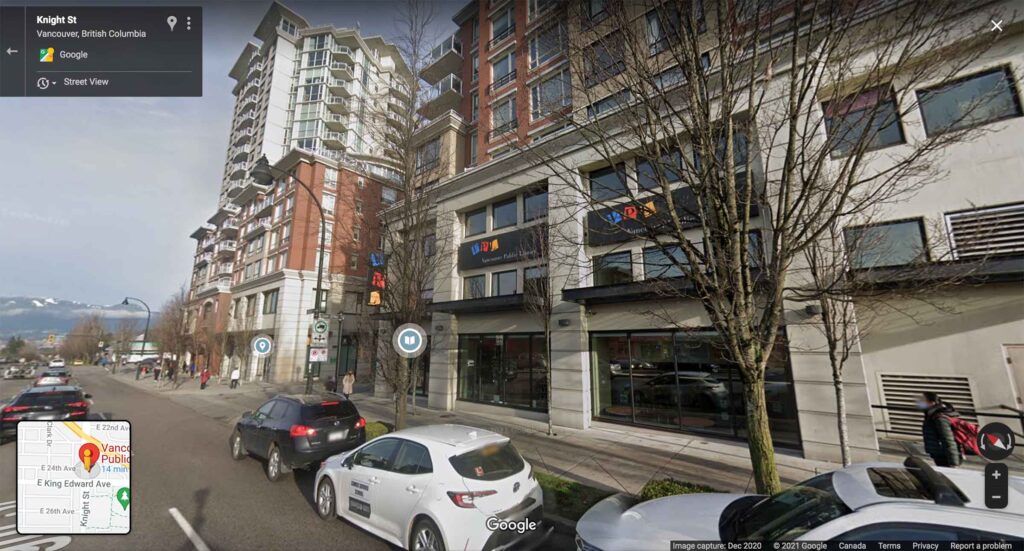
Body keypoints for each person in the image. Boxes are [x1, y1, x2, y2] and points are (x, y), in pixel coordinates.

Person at [919, 392, 962, 468]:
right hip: (939, 453)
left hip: (945, 455)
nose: (920, 403)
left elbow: (948, 440)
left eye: (923, 401)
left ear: (932, 402)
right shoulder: (931, 414)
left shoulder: (940, 418)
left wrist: (954, 463)